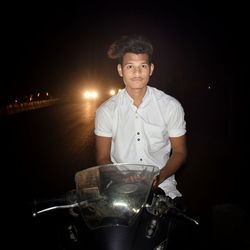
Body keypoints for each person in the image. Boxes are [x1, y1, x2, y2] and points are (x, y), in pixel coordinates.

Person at [94, 34, 187, 200]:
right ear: (120, 70)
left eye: (142, 66)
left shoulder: (170, 106)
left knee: (178, 223)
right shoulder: (106, 111)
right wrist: (122, 178)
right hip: (120, 187)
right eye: (130, 66)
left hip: (163, 186)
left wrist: (160, 176)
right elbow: (102, 157)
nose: (137, 72)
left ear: (151, 69)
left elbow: (179, 151)